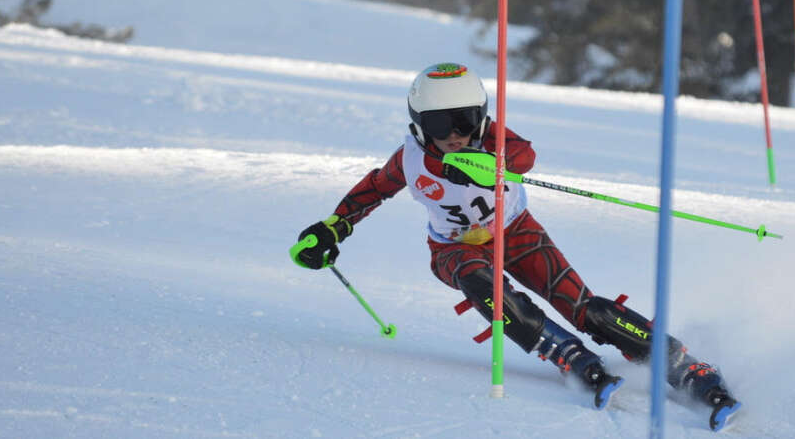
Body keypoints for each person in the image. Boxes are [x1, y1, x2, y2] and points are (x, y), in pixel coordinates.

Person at [293, 62, 741, 430]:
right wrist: (332, 229)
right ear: (417, 124)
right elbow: (373, 190)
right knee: (482, 283)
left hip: (517, 231)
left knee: (588, 309)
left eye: (466, 120)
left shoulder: (490, 139)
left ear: (482, 117)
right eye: (439, 124)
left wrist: (490, 162)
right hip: (453, 247)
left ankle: (683, 365)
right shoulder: (410, 159)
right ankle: (566, 354)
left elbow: (525, 156)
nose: (454, 133)